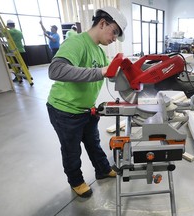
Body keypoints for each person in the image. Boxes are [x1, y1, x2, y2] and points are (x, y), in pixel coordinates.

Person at [46, 6, 127, 198]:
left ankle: (102, 169)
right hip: (64, 110)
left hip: (85, 110)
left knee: (94, 143)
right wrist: (101, 72)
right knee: (72, 150)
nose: (114, 37)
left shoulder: (98, 52)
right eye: (114, 31)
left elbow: (94, 77)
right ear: (102, 23)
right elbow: (55, 70)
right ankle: (76, 181)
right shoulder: (77, 42)